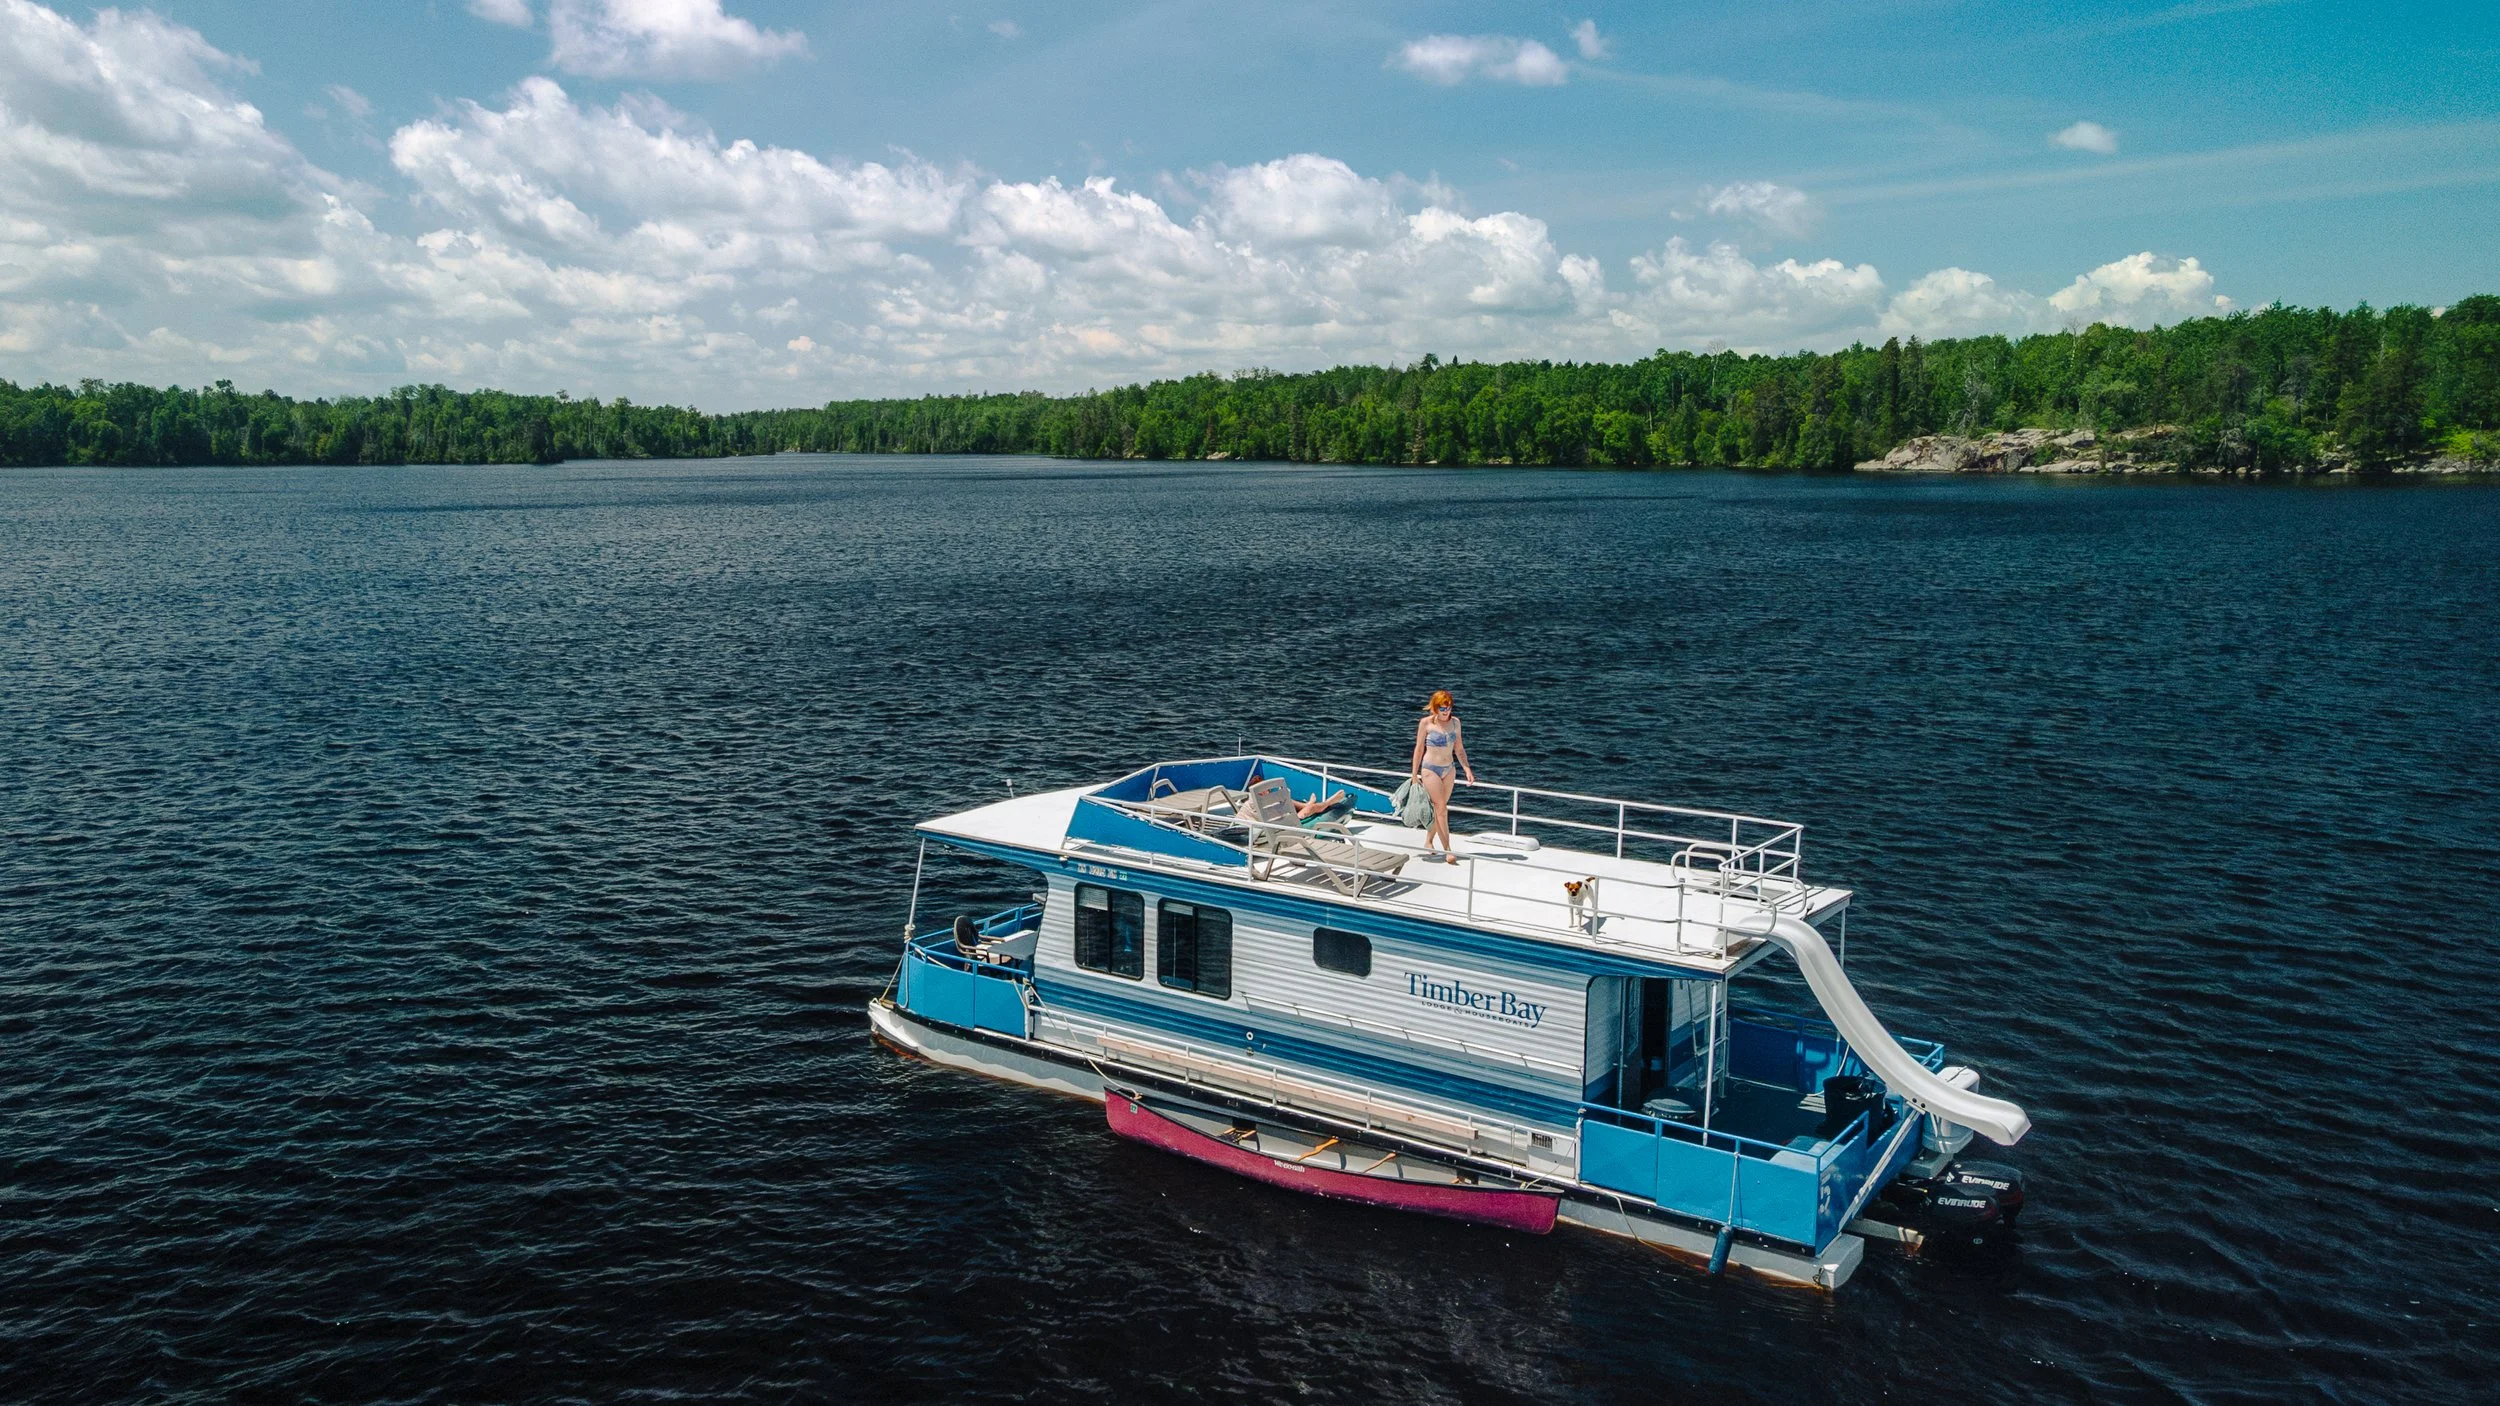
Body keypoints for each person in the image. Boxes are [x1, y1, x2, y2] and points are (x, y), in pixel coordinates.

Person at [1409, 690, 1474, 863]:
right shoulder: (1426, 723)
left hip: (1449, 769)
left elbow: (1459, 748)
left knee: (1440, 809)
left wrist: (1466, 768)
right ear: (1435, 708)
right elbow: (1419, 749)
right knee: (1441, 809)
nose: (1446, 711)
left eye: (1449, 707)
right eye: (1443, 708)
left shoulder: (1456, 723)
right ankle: (1448, 850)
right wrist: (1414, 775)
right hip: (1430, 769)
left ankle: (1429, 840)